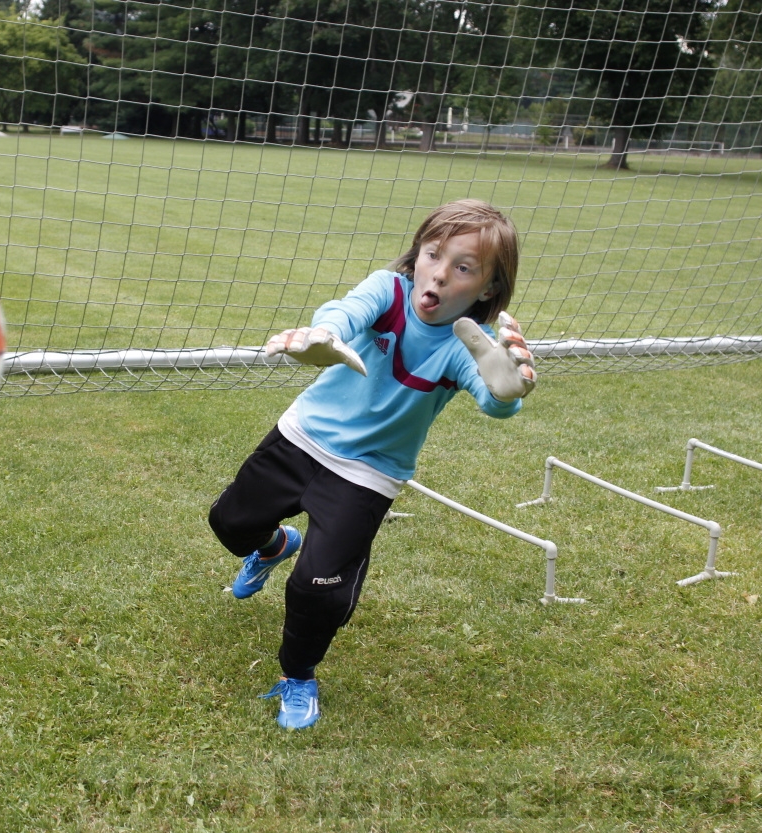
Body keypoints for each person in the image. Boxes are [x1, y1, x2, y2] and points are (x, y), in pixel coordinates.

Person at [208, 198, 537, 729]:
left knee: (319, 588)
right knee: (229, 523)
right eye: (434, 255)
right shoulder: (389, 291)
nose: (439, 273)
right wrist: (326, 336)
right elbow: (345, 311)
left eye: (464, 268)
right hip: (304, 435)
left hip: (367, 474)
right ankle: (274, 548)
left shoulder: (464, 345)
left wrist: (505, 391)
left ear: (488, 290)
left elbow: (492, 394)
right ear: (417, 255)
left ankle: (299, 675)